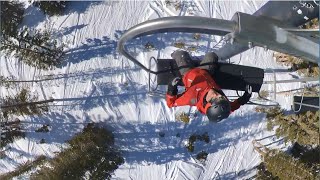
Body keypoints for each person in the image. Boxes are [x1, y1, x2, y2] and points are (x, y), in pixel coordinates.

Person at [166, 50, 252, 122]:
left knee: (181, 54)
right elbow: (231, 108)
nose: (218, 94)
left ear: (208, 102)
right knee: (212, 55)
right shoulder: (221, 102)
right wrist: (245, 97)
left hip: (189, 73)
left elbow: (171, 103)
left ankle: (176, 54)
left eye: (215, 98)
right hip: (205, 72)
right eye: (221, 97)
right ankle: (199, 61)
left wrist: (172, 87)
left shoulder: (191, 98)